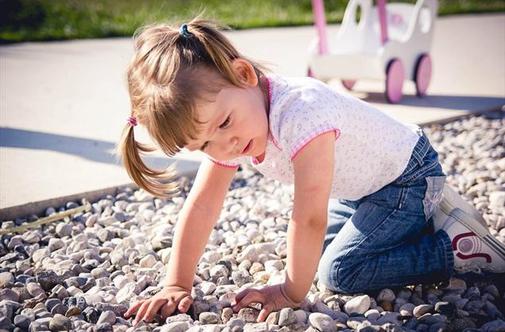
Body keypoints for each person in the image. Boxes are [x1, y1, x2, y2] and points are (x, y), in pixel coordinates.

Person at [117, 17, 505, 326]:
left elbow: (308, 217)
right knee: (313, 258)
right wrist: (176, 283)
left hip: (408, 179)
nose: (224, 148)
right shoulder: (233, 123)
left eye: (223, 125)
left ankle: (455, 247)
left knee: (339, 271)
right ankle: (420, 225)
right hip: (364, 192)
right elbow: (202, 206)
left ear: (244, 75)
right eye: (203, 146)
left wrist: (290, 292)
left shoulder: (301, 114)